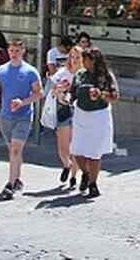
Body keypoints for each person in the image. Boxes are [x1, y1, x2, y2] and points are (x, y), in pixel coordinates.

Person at [0, 36, 43, 199]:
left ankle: (9, 184)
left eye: (17, 51)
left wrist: (23, 102)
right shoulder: (1, 70)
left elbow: (39, 93)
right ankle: (17, 179)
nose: (13, 54)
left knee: (15, 150)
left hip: (23, 116)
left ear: (23, 51)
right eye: (11, 50)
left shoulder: (30, 71)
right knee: (13, 151)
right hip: (5, 117)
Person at [69, 46, 119, 198]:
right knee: (77, 150)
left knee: (94, 152)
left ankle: (93, 183)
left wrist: (100, 94)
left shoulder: (105, 76)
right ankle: (85, 172)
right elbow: (72, 95)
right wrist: (65, 98)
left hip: (99, 116)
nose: (83, 62)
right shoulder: (79, 75)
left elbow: (114, 96)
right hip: (81, 115)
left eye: (86, 59)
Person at [48, 45, 79, 189]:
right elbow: (51, 90)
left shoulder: (84, 74)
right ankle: (67, 165)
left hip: (79, 111)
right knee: (63, 147)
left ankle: (73, 176)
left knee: (75, 146)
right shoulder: (62, 72)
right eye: (71, 57)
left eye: (77, 57)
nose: (73, 60)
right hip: (63, 109)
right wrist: (59, 90)